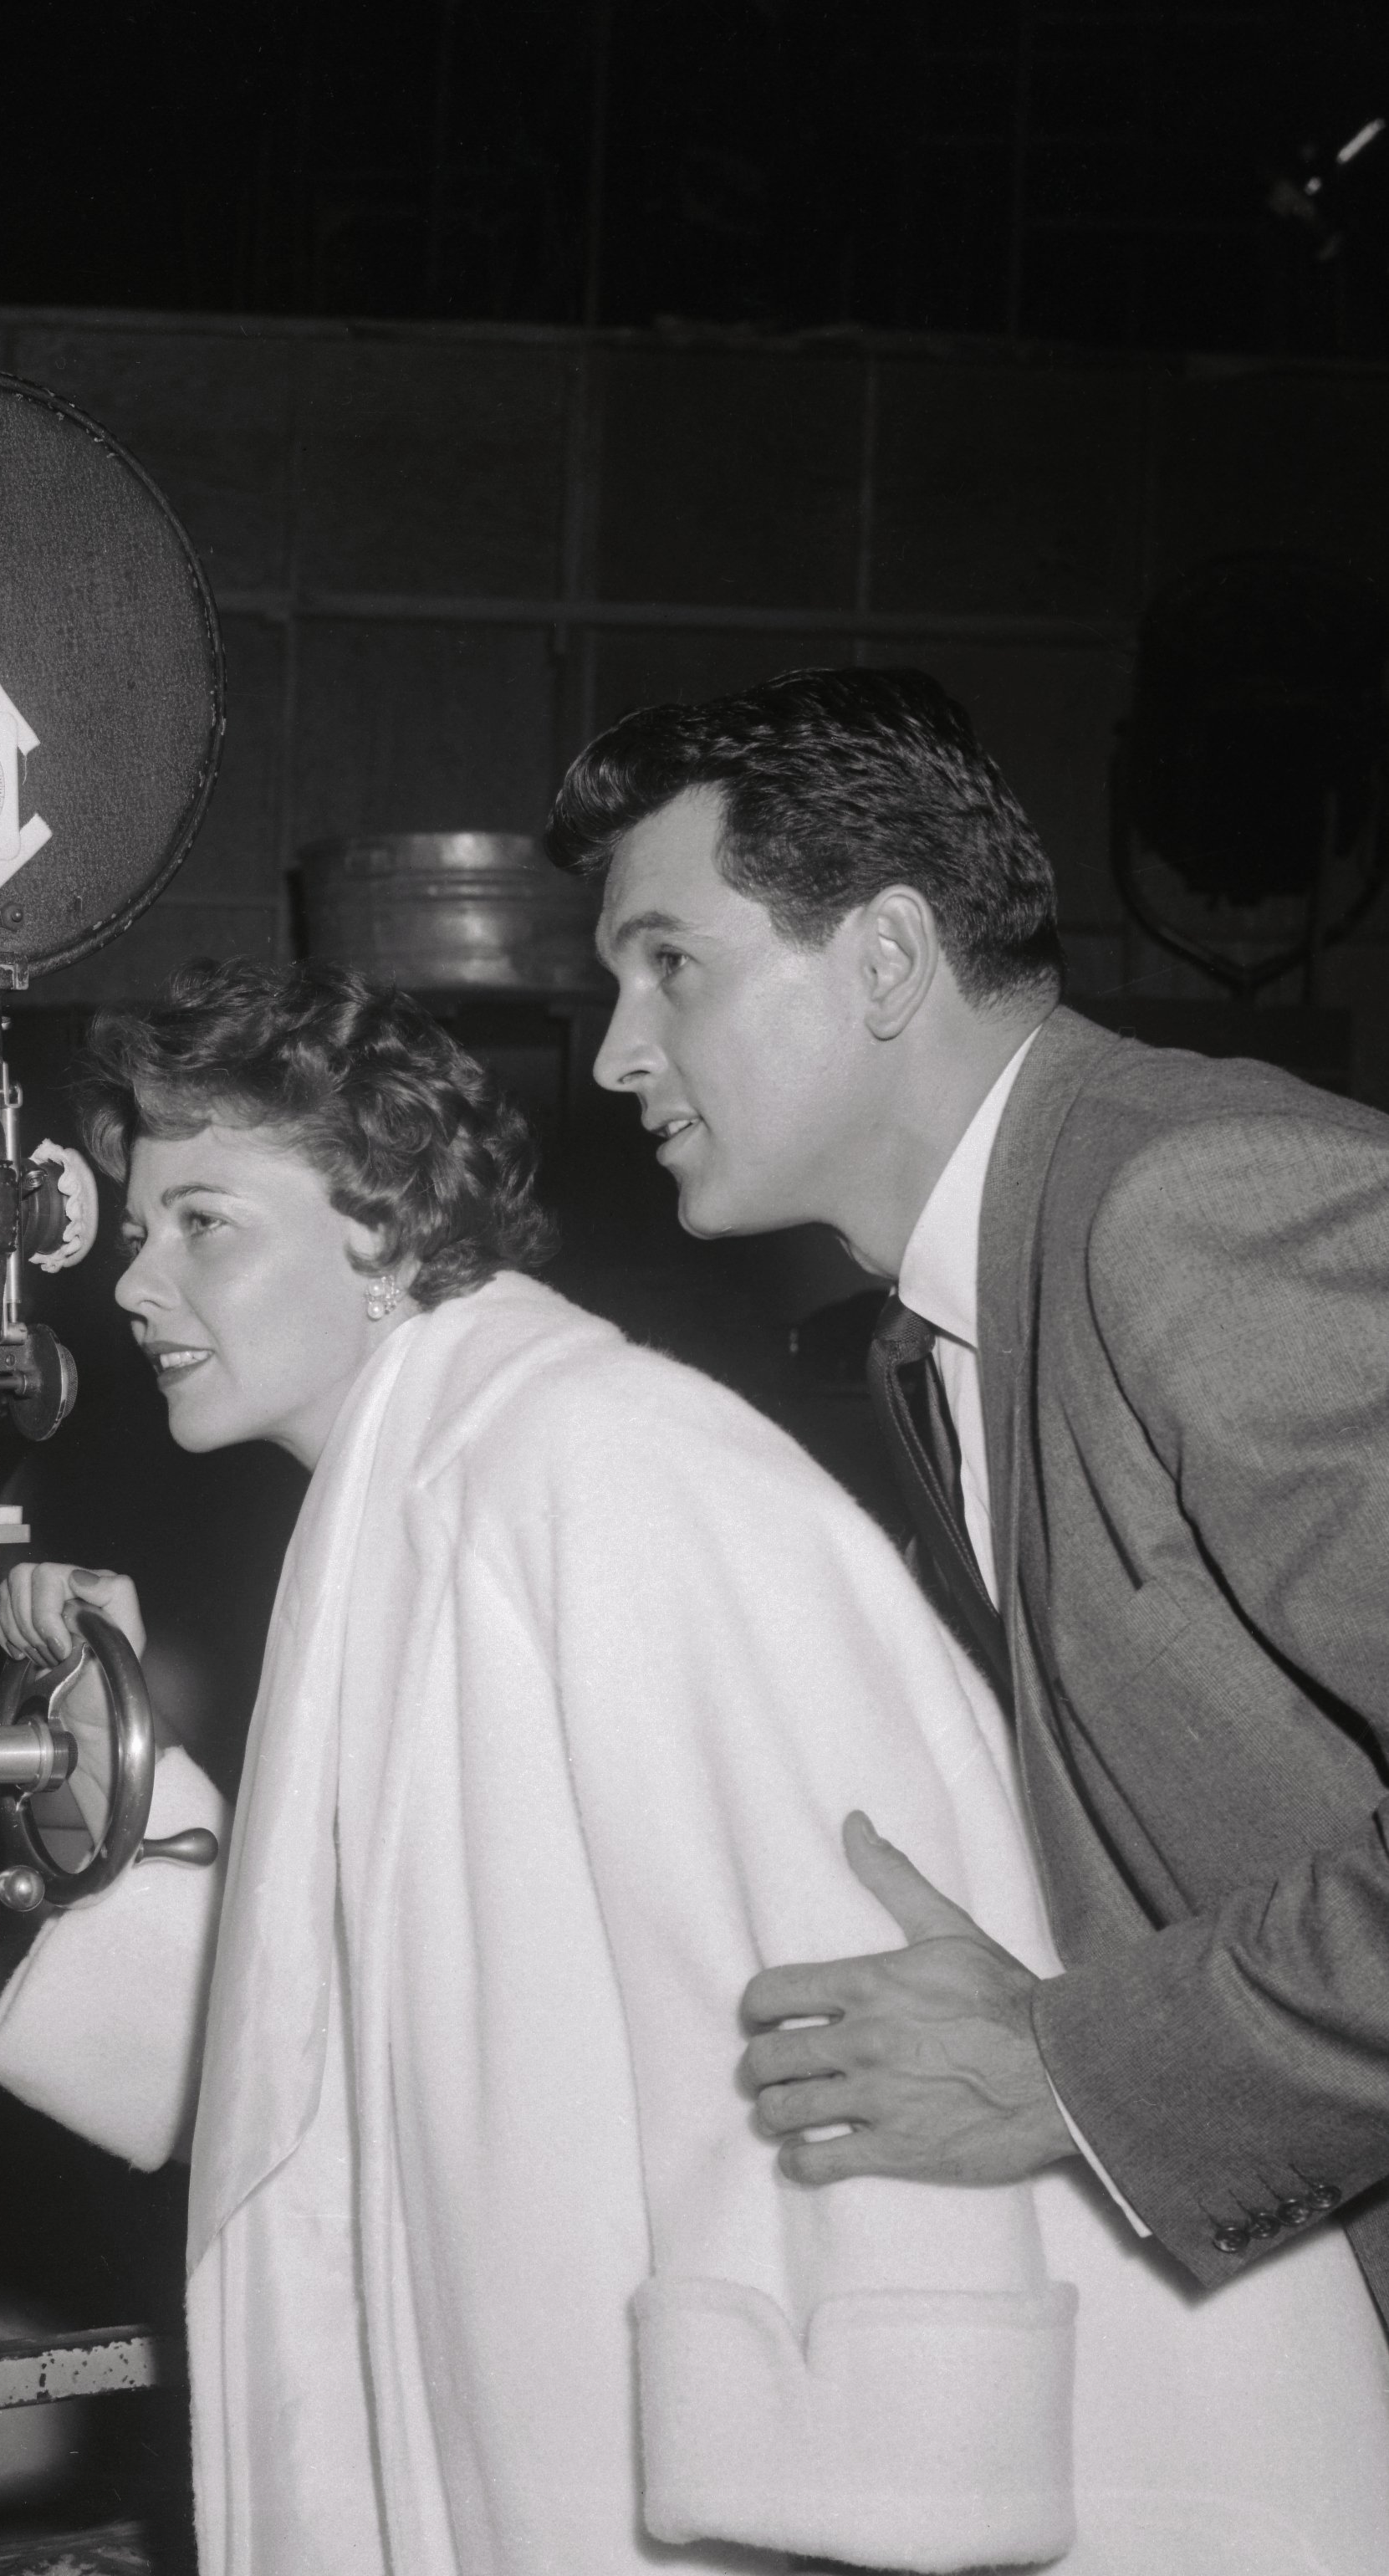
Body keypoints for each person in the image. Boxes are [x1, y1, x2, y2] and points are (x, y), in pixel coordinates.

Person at [0, 957, 1389, 2575]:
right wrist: (126, 1791)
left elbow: (848, 2007)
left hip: (920, 2476)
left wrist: (868, 2506)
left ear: (392, 1232)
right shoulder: (424, 1481)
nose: (140, 1288)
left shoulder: (601, 1464)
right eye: (142, 1232)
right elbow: (350, 2040)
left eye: (205, 1223)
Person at [549, 667, 1389, 2323]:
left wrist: (1066, 2066)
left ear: (885, 958)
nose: (613, 1056)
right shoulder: (931, 1323)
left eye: (671, 969)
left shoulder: (1188, 1206)